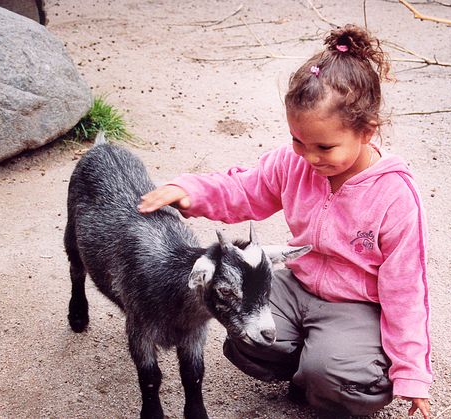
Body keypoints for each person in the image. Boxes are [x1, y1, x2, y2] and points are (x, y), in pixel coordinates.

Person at [138, 24, 432, 418]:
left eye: (324, 146)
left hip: (356, 304)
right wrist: (192, 192)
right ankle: (304, 364)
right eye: (298, 140)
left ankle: (323, 372)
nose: (308, 157)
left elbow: (406, 289)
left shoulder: (395, 196)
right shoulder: (294, 163)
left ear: (366, 132)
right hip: (297, 283)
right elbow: (244, 188)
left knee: (340, 378)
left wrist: (412, 373)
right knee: (240, 324)